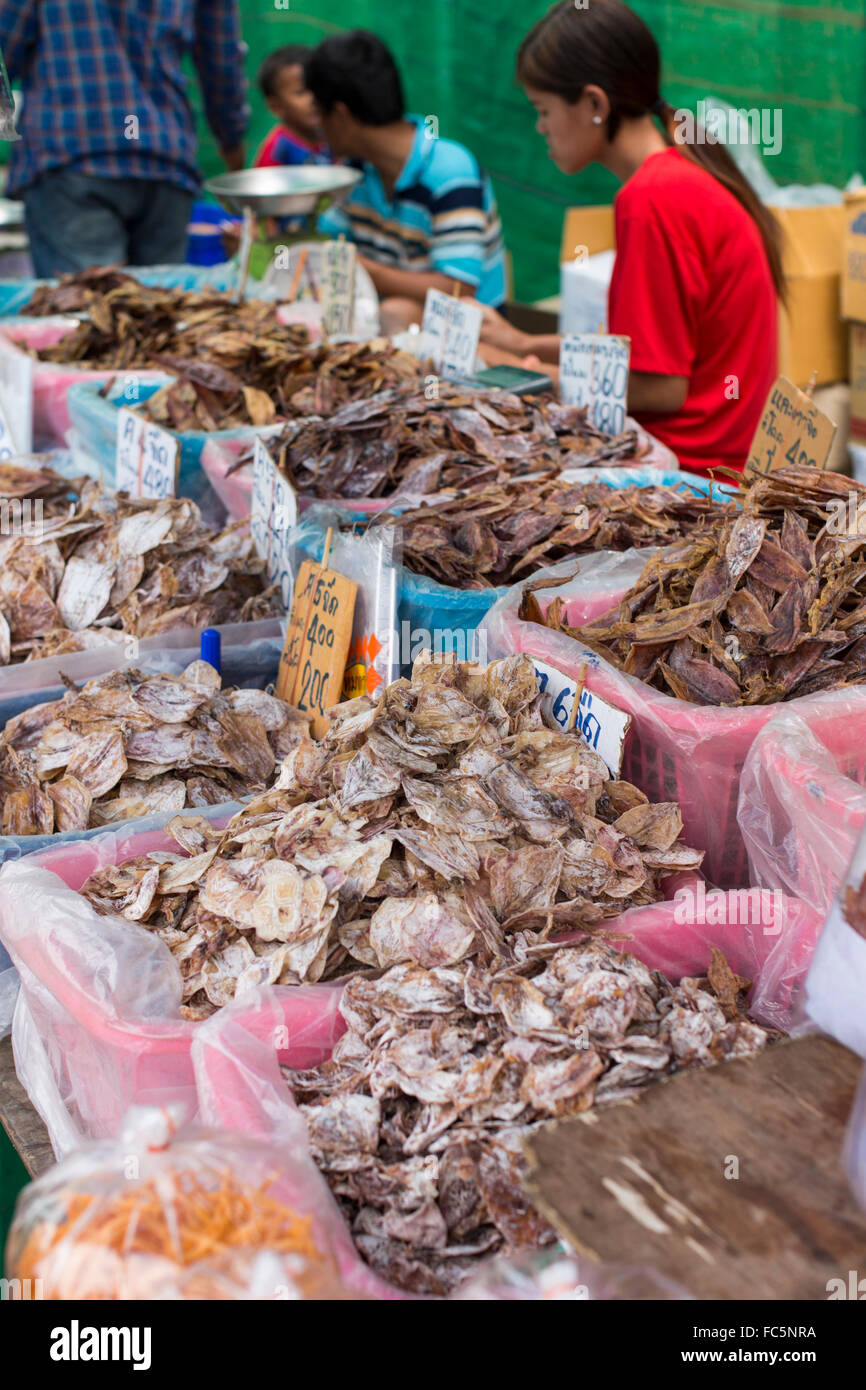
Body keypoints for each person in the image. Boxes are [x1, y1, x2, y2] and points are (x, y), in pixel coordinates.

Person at [474, 0, 782, 477]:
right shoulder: (676, 175)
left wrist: (520, 371)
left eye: (544, 110)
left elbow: (659, 388)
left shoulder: (652, 199)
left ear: (595, 104)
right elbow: (643, 359)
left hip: (689, 478)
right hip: (703, 460)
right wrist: (522, 341)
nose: (540, 127)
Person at [0, 0, 249, 277]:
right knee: (155, 307)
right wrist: (231, 138)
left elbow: (6, 43)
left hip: (70, 150)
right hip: (164, 154)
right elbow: (222, 57)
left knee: (85, 307)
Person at [304, 30, 507, 314]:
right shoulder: (355, 170)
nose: (318, 129)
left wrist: (363, 269)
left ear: (340, 115)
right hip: (387, 320)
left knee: (396, 312)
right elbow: (330, 244)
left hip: (466, 329)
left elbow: (459, 287)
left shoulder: (450, 172)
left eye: (318, 115)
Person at [254, 45, 329, 169]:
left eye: (316, 87)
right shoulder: (277, 151)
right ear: (276, 106)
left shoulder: (334, 136)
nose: (313, 98)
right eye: (301, 92)